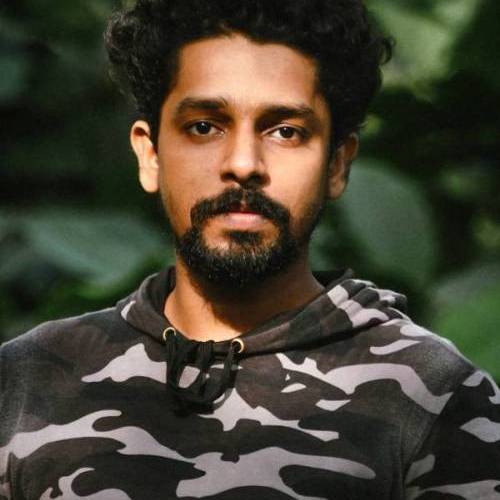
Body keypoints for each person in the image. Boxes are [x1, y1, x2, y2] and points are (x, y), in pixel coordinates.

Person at [1, 0, 499, 498]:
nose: (243, 163)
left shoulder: (435, 398)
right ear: (150, 155)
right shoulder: (25, 384)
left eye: (286, 131)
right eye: (204, 126)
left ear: (337, 165)